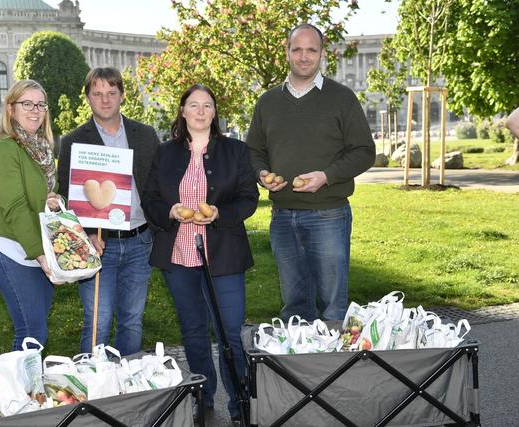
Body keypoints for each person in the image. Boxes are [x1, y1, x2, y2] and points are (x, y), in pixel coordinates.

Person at [142, 84, 259, 425]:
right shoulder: (165, 153)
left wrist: (220, 213)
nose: (200, 111)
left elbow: (248, 198)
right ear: (182, 111)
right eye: (193, 105)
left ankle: (240, 404)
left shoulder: (235, 151)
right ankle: (202, 399)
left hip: (223, 255)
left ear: (214, 113)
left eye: (207, 105)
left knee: (230, 332)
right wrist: (171, 211)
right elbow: (150, 197)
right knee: (193, 331)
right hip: (179, 256)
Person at [246, 23, 376, 322]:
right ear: (287, 51)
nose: (304, 57)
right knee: (294, 306)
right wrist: (262, 173)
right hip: (282, 216)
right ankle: (298, 367)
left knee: (333, 306)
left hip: (328, 215)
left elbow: (364, 151)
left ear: (322, 53)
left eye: (311, 50)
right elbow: (254, 151)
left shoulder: (341, 98)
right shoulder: (268, 101)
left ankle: (332, 368)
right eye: (297, 49)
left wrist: (326, 176)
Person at [58, 67, 160, 356]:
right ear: (88, 98)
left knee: (132, 322)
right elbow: (67, 198)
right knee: (97, 323)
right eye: (98, 94)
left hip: (140, 241)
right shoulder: (73, 141)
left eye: (111, 93)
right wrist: (85, 233)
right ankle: (94, 392)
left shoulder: (146, 135)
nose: (105, 100)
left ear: (122, 96)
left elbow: (159, 185)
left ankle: (128, 390)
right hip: (98, 246)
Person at [0, 79, 62, 351]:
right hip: (11, 250)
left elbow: (39, 197)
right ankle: (16, 393)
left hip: (36, 247)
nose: (35, 110)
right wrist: (41, 254)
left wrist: (53, 200)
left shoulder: (40, 151)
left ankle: (29, 393)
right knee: (31, 333)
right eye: (26, 103)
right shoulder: (4, 149)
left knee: (35, 335)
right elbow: (15, 206)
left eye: (40, 104)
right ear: (10, 109)